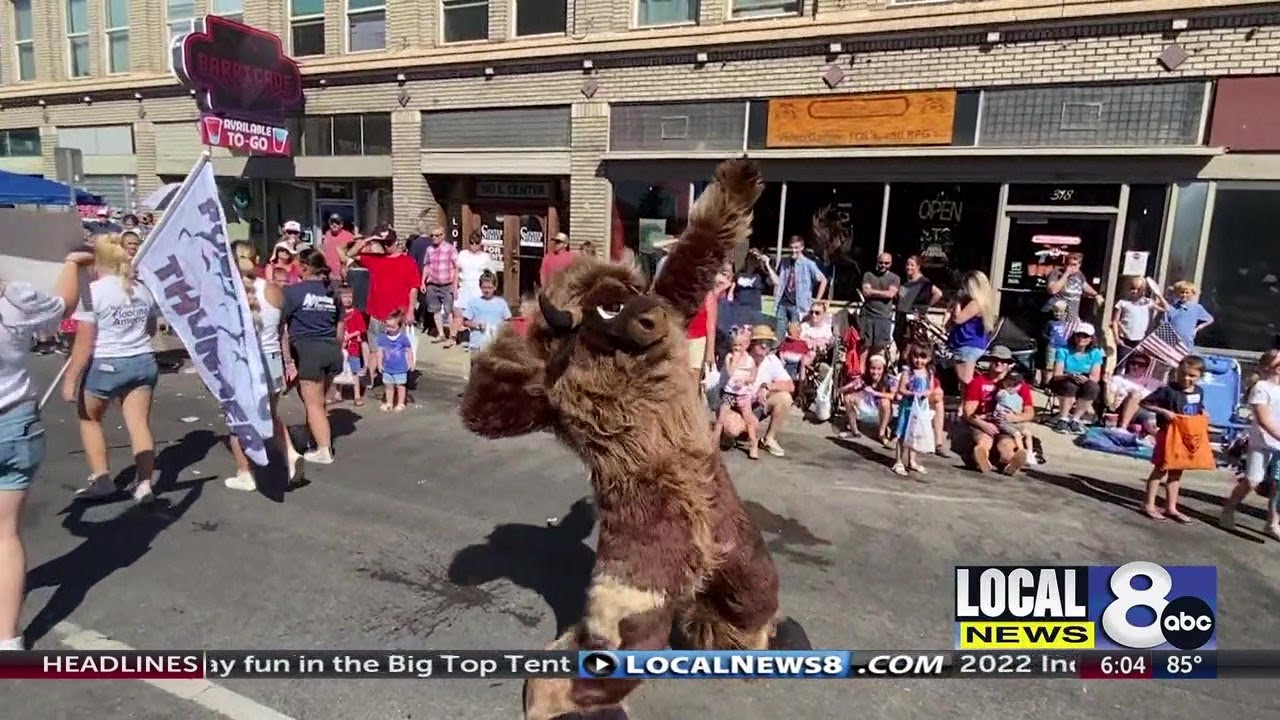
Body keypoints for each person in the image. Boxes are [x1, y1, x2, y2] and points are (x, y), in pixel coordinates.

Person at [0, 248, 95, 650]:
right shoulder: (14, 299)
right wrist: (72, 264)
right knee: (5, 536)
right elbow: (64, 305)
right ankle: (6, 638)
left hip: (15, 424)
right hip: (13, 422)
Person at [62, 234, 161, 503]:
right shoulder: (141, 289)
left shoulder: (93, 293)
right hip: (142, 360)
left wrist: (71, 379)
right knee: (139, 424)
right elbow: (151, 330)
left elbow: (84, 342)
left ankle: (102, 479)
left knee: (89, 419)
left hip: (107, 363)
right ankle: (144, 485)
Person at [223, 241, 305, 492]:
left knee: (237, 420)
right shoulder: (273, 290)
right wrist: (288, 361)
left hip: (244, 363)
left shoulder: (229, 294)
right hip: (272, 360)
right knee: (270, 415)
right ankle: (290, 453)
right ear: (258, 259)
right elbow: (282, 331)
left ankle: (245, 472)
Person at [281, 249, 344, 465]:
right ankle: (313, 440)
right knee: (318, 402)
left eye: (297, 264)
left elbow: (282, 327)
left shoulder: (293, 292)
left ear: (305, 267)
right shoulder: (331, 292)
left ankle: (324, 450)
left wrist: (287, 358)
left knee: (313, 404)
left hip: (309, 351)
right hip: (331, 351)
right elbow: (340, 327)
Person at [1139, 355, 1208, 523]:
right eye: (1183, 374)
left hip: (1185, 436)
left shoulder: (1199, 391)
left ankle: (1171, 507)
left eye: (1192, 375)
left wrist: (1203, 414)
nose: (1186, 378)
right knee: (1161, 469)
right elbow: (1144, 403)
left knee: (1177, 472)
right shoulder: (1168, 390)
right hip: (1168, 434)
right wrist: (1163, 412)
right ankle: (1149, 504)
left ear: (1200, 376)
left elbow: (1198, 408)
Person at [1220, 349, 1280, 538]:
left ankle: (1272, 523)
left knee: (1278, 485)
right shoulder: (1261, 387)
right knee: (1252, 481)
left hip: (1278, 445)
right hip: (1262, 442)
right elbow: (1263, 419)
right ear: (1266, 366)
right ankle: (1228, 510)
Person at [717, 326, 793, 457]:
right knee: (732, 429)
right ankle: (738, 432)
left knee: (785, 398)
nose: (764, 346)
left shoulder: (772, 360)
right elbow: (722, 389)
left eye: (768, 343)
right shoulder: (736, 358)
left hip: (758, 405)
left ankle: (769, 438)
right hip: (735, 404)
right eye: (760, 342)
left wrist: (767, 386)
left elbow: (790, 385)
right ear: (751, 343)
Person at [961, 346, 1033, 475]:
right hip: (984, 422)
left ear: (1008, 364)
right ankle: (982, 459)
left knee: (1006, 446)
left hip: (1007, 424)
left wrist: (1015, 418)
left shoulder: (1019, 386)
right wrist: (982, 424)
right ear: (990, 360)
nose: (999, 363)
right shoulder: (978, 382)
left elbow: (1030, 413)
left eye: (1003, 361)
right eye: (995, 359)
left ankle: (1009, 462)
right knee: (984, 441)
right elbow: (968, 411)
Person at [349, 227, 419, 354]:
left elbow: (413, 288)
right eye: (383, 243)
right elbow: (350, 254)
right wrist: (368, 240)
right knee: (375, 350)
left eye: (389, 243)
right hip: (377, 314)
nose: (386, 246)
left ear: (396, 242)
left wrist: (411, 311)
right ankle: (375, 373)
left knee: (397, 351)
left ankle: (398, 372)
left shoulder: (408, 262)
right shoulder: (374, 259)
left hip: (397, 315)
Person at [713, 328, 761, 459]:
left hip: (743, 394)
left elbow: (752, 377)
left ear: (746, 345)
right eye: (735, 345)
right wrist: (734, 360)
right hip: (729, 393)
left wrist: (744, 381)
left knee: (749, 419)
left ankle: (753, 444)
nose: (737, 348)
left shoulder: (750, 360)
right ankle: (713, 443)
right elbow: (730, 372)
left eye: (740, 345)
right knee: (721, 419)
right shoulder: (729, 357)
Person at [946, 271, 999, 390]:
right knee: (962, 382)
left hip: (968, 344)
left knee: (966, 380)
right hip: (963, 343)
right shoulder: (972, 302)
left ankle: (968, 404)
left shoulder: (976, 303)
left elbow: (958, 319)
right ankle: (963, 405)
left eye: (965, 287)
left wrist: (958, 303)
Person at [892, 345, 938, 476]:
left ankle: (912, 460)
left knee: (916, 434)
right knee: (903, 433)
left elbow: (931, 389)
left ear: (929, 358)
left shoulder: (929, 373)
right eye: (916, 357)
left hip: (921, 408)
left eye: (923, 357)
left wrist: (926, 393)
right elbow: (901, 389)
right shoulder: (908, 372)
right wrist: (912, 393)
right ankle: (899, 461)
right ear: (911, 356)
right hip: (908, 407)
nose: (919, 361)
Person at [1048, 324, 1104, 433]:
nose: (1081, 339)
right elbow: (1057, 374)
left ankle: (1075, 419)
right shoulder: (1063, 350)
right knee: (1069, 385)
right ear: (1074, 336)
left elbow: (1095, 377)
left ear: (1091, 339)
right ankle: (1063, 419)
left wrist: (1085, 378)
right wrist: (1070, 376)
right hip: (1063, 380)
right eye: (1078, 335)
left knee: (1093, 387)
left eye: (1085, 336)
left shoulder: (1096, 353)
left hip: (1084, 381)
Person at [773, 235, 827, 342]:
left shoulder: (808, 264)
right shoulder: (784, 262)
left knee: (795, 335)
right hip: (782, 302)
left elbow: (823, 280)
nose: (793, 250)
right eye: (791, 248)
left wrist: (817, 300)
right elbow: (778, 281)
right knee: (779, 334)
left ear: (802, 248)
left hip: (798, 305)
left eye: (796, 248)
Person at [836, 354, 894, 442]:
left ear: (883, 369)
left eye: (879, 369)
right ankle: (854, 430)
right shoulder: (865, 378)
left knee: (885, 402)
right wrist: (852, 386)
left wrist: (875, 393)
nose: (875, 372)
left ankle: (881, 434)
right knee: (848, 398)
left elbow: (894, 395)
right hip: (867, 409)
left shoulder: (888, 379)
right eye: (873, 368)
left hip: (881, 411)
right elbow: (840, 390)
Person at [452, 233, 495, 345]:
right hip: (464, 287)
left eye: (476, 243)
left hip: (477, 288)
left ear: (480, 244)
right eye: (472, 243)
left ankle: (474, 338)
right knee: (458, 314)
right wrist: (454, 287)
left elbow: (492, 273)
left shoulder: (485, 257)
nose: (474, 245)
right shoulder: (463, 254)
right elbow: (456, 271)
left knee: (475, 316)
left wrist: (489, 289)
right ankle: (452, 338)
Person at [894, 255, 943, 352]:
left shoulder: (925, 282)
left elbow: (938, 294)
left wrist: (925, 307)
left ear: (918, 266)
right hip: (902, 318)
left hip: (915, 321)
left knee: (913, 345)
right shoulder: (905, 283)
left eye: (912, 265)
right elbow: (902, 298)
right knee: (902, 344)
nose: (909, 267)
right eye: (907, 265)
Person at [420, 226, 459, 346]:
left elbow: (457, 267)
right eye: (432, 235)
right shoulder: (429, 249)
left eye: (437, 235)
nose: (434, 238)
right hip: (433, 284)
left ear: (443, 236)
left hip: (447, 284)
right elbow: (426, 266)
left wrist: (455, 285)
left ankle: (452, 336)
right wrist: (422, 281)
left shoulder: (450, 249)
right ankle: (441, 334)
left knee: (449, 311)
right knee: (435, 310)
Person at [860, 252, 900, 368]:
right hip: (867, 316)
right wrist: (882, 293)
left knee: (879, 349)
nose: (883, 265)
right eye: (881, 262)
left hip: (883, 317)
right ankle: (860, 376)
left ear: (891, 264)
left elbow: (890, 294)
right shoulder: (868, 275)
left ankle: (877, 375)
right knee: (864, 347)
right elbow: (866, 292)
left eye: (886, 263)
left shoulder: (894, 278)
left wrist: (873, 291)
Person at [373, 309, 414, 412]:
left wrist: (410, 362)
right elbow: (380, 352)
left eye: (392, 327)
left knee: (400, 386)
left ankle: (401, 403)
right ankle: (389, 402)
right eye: (387, 326)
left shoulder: (403, 338)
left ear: (399, 327)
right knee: (388, 386)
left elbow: (409, 350)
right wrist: (379, 364)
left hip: (400, 367)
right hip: (387, 367)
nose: (389, 329)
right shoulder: (383, 338)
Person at [462, 271, 511, 355]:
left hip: (495, 344)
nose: (487, 290)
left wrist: (500, 327)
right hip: (477, 344)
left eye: (489, 287)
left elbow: (508, 321)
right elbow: (465, 321)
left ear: (495, 287)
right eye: (484, 287)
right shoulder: (473, 302)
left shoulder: (501, 303)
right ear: (480, 287)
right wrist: (477, 325)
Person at [1112, 275, 1164, 352]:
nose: (1135, 291)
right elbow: (1115, 321)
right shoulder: (1122, 302)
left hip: (1139, 339)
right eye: (1132, 288)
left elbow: (1165, 309)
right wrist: (1116, 337)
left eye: (1139, 289)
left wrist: (1159, 295)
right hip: (1124, 339)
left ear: (1143, 290)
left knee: (1136, 362)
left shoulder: (1147, 302)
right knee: (1122, 362)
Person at [1045, 251, 1100, 323]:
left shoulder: (1079, 275)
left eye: (1074, 265)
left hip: (1072, 317)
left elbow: (1085, 285)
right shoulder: (1056, 272)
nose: (1070, 267)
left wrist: (1096, 294)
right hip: (1056, 317)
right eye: (1068, 264)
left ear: (1079, 265)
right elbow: (1052, 290)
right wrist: (1066, 274)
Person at [338, 286, 368, 407]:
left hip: (353, 347)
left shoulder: (356, 313)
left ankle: (357, 395)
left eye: (350, 297)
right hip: (340, 347)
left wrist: (350, 336)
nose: (348, 299)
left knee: (355, 371)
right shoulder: (338, 313)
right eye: (345, 297)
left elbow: (361, 329)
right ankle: (338, 393)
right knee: (339, 370)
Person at [991, 374, 1032, 456]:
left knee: (1028, 433)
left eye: (1014, 385)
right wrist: (1003, 387)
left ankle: (1030, 452)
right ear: (1004, 383)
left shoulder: (1019, 399)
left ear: (1020, 386)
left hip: (1014, 422)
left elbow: (1020, 412)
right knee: (1017, 434)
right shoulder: (1003, 393)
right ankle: (1021, 452)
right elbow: (999, 396)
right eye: (1008, 384)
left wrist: (1017, 417)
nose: (1011, 387)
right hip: (1002, 422)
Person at [1164, 280, 1214, 348]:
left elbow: (1210, 319)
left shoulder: (1196, 307)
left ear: (1192, 294)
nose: (1184, 295)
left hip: (1187, 341)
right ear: (1177, 293)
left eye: (1187, 293)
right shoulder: (1172, 308)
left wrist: (1197, 329)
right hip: (1172, 342)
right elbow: (1164, 324)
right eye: (1182, 292)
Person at [1039, 299, 1070, 387]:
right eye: (1056, 311)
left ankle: (1058, 385)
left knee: (1061, 365)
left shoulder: (1067, 323)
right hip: (1052, 347)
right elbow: (1044, 334)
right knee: (1050, 366)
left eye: (1061, 312)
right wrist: (1049, 339)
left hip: (1064, 347)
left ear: (1065, 312)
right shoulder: (1050, 323)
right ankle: (1047, 384)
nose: (1058, 314)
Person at [321, 213, 354, 285]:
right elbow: (323, 251)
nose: (334, 225)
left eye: (337, 223)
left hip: (343, 277)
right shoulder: (327, 235)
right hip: (328, 276)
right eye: (332, 222)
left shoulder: (348, 236)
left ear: (341, 224)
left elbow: (352, 254)